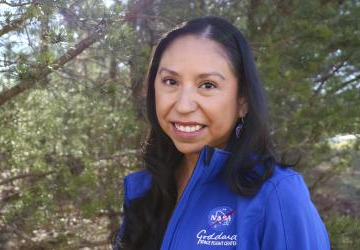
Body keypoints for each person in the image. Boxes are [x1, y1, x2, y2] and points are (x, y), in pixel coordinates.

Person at [114, 17, 330, 249]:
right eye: (170, 81)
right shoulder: (147, 188)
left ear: (242, 101)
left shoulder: (277, 195)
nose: (183, 105)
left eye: (207, 85)